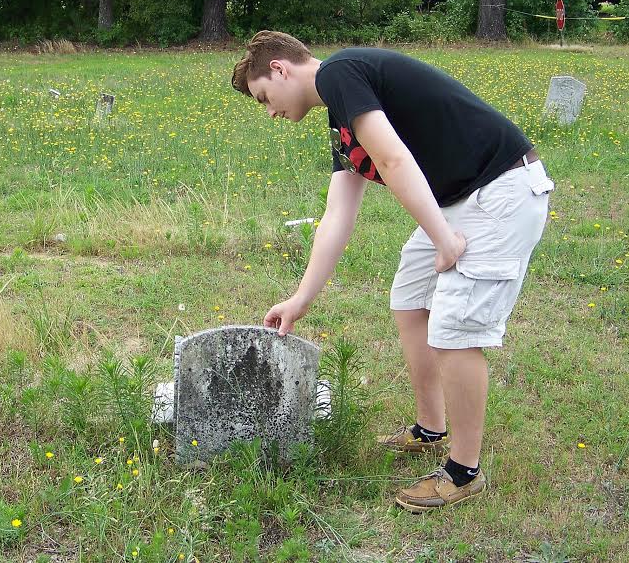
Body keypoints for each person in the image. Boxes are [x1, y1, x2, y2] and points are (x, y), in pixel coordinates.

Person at [231, 31, 553, 513]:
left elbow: (392, 158)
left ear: (280, 68)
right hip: (459, 199)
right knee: (409, 299)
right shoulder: (340, 114)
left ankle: (464, 472)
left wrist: (444, 239)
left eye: (263, 97)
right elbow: (338, 215)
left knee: (455, 332)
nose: (270, 112)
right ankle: (430, 428)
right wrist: (300, 299)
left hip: (500, 189)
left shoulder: (340, 72)